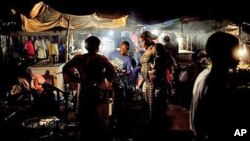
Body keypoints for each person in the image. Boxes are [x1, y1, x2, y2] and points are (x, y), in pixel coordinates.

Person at [190, 31, 248, 141]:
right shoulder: (216, 83)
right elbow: (223, 128)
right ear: (224, 54)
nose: (239, 58)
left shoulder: (205, 74)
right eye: (235, 52)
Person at [63, 36, 115, 141]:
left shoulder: (79, 58)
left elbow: (65, 68)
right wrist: (104, 76)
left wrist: (77, 79)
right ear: (97, 47)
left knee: (84, 119)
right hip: (98, 92)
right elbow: (112, 70)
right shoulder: (101, 58)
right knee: (99, 120)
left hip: (84, 91)